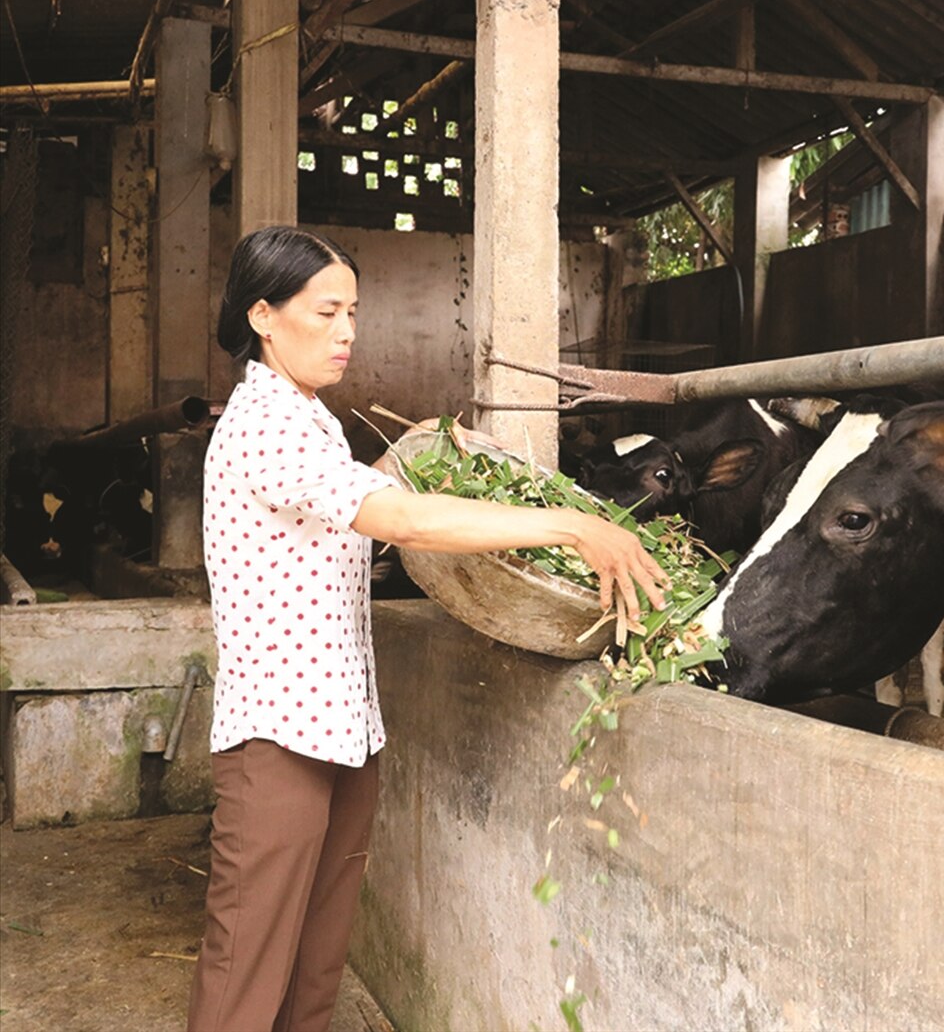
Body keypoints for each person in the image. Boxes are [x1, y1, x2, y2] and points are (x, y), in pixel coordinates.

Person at [187, 225, 667, 1032]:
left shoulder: (312, 420)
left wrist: (418, 462)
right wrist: (564, 524)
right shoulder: (261, 423)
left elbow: (353, 511)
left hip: (343, 729)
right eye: (327, 311)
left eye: (354, 311)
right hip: (278, 740)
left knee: (315, 962)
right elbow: (401, 520)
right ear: (263, 316)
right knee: (246, 967)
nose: (346, 331)